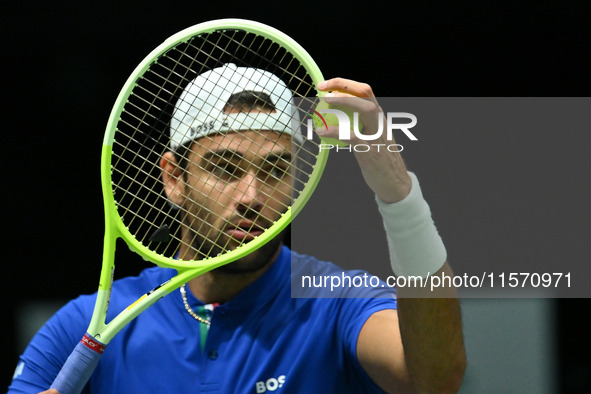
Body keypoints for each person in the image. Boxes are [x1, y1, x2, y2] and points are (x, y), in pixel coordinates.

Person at [9, 64, 466, 393]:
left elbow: (435, 382)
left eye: (274, 169)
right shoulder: (85, 323)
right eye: (225, 167)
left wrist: (400, 198)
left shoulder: (336, 303)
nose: (250, 196)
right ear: (174, 178)